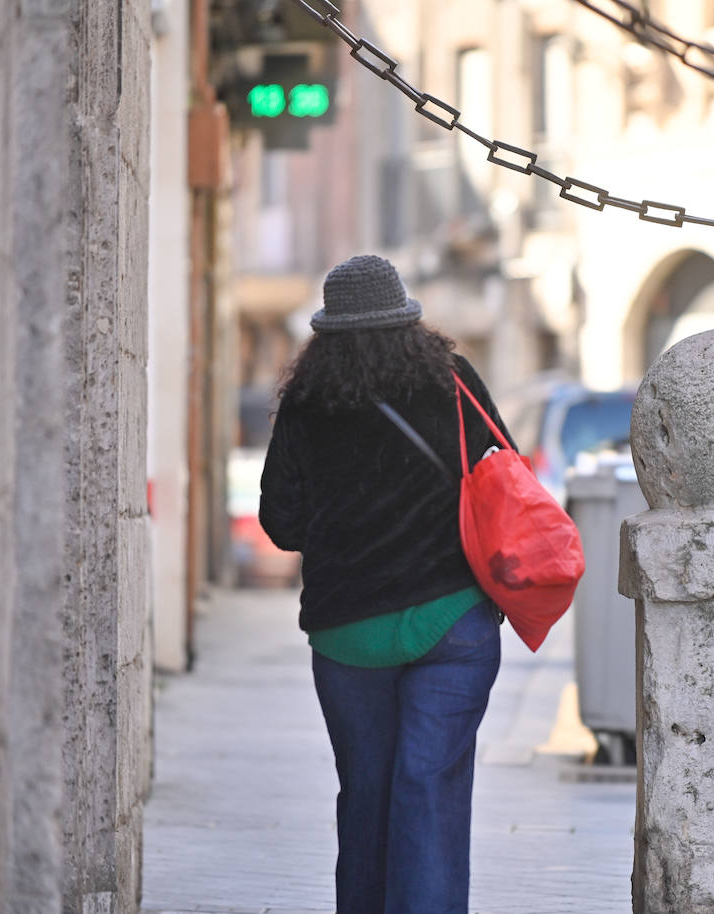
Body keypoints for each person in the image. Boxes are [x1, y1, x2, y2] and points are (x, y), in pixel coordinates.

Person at [258, 254, 513, 914]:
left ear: (328, 333)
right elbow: (504, 477)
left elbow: (280, 522)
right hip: (454, 623)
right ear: (408, 321)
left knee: (366, 798)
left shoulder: (308, 402)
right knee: (428, 794)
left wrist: (343, 520)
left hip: (350, 638)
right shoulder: (451, 383)